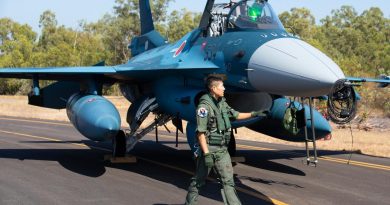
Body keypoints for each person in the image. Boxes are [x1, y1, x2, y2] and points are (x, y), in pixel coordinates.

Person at [185, 75, 268, 205]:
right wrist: (206, 154)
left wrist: (254, 113)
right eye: (221, 86)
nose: (224, 88)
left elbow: (236, 115)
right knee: (199, 181)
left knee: (228, 182)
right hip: (209, 149)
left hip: (222, 150)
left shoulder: (222, 103)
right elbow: (200, 133)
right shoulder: (204, 107)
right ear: (213, 88)